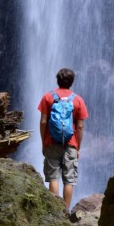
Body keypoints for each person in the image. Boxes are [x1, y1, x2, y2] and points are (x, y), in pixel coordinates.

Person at [38, 67, 88, 209]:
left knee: (53, 177)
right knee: (69, 180)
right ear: (72, 82)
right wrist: (78, 146)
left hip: (51, 143)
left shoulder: (48, 97)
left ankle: (55, 213)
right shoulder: (78, 100)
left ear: (57, 80)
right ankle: (65, 213)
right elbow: (79, 126)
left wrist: (43, 142)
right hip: (70, 144)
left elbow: (43, 122)